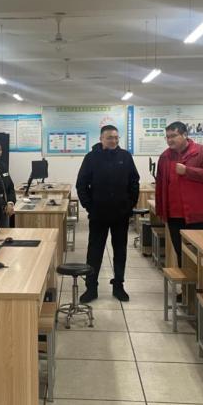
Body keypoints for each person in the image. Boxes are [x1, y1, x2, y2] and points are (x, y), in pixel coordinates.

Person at [76, 125, 140, 302]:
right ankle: (91, 288)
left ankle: (118, 286)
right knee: (94, 251)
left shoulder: (125, 157)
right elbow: (81, 184)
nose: (114, 141)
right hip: (99, 214)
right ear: (101, 139)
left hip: (121, 214)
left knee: (120, 251)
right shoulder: (91, 158)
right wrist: (89, 206)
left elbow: (134, 182)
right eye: (110, 137)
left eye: (116, 137)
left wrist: (130, 205)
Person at [155, 121, 203, 268]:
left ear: (185, 135)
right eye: (167, 137)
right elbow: (160, 186)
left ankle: (199, 283)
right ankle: (185, 283)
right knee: (181, 254)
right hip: (174, 216)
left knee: (201, 255)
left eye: (173, 136)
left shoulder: (202, 152)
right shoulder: (165, 157)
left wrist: (188, 171)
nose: (170, 140)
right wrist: (161, 211)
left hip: (197, 215)